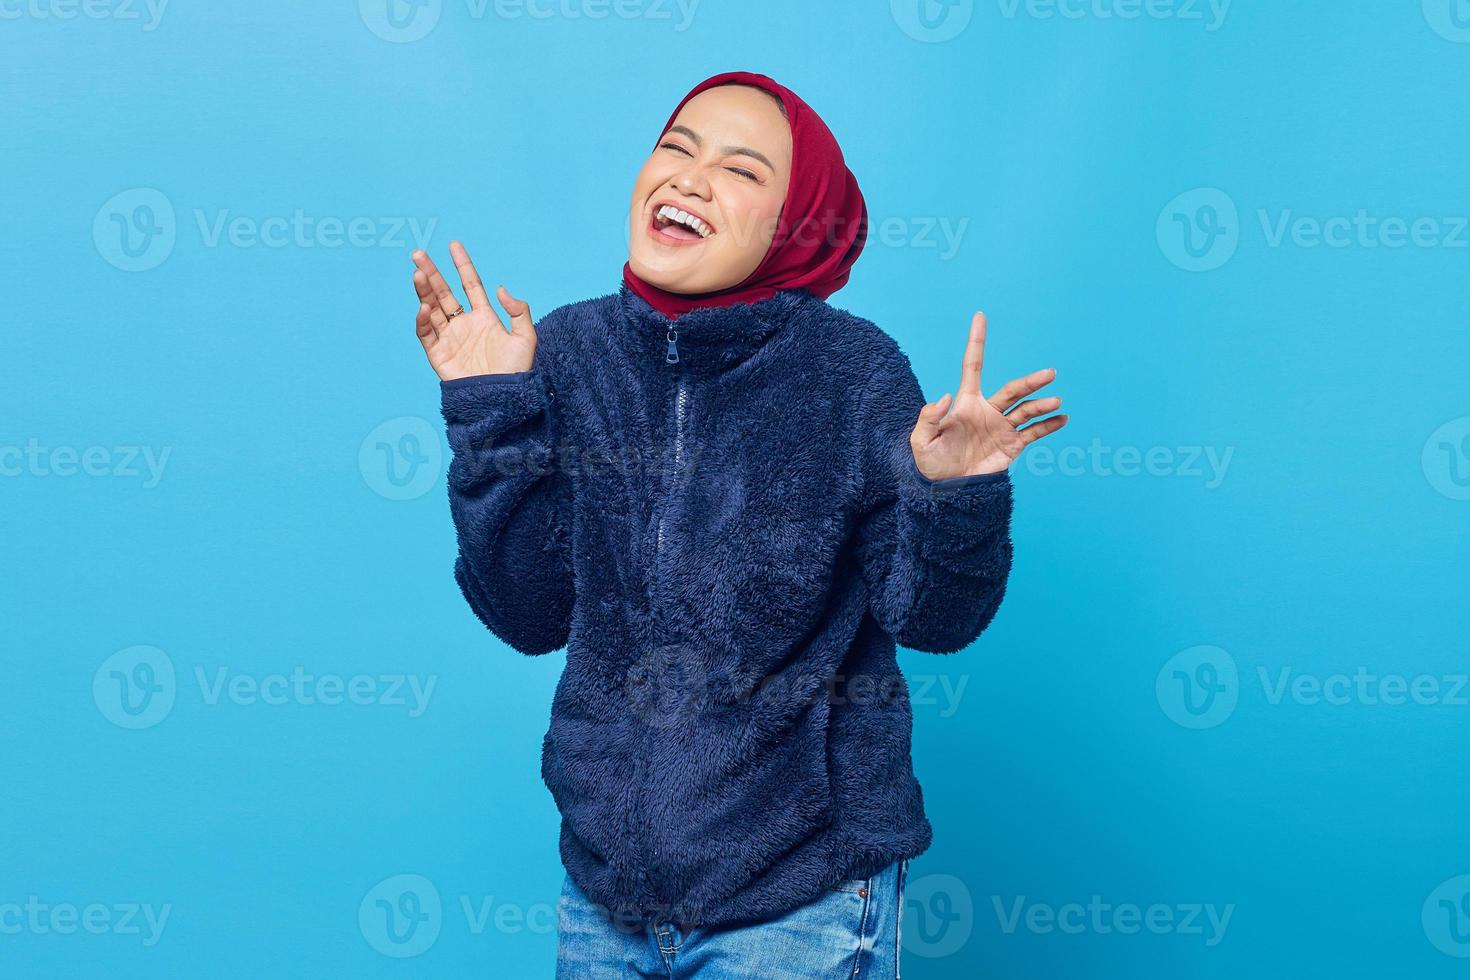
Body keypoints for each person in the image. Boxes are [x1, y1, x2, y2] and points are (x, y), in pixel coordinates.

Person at [409, 70, 1066, 979]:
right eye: (676, 147)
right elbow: (527, 613)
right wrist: (490, 411)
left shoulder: (853, 374)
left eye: (741, 170)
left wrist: (955, 495)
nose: (689, 176)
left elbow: (935, 621)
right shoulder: (563, 351)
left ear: (792, 227)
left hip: (797, 900)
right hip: (605, 900)